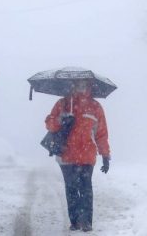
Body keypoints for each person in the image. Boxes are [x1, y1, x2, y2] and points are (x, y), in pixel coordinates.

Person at [45, 79, 111, 232]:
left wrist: (105, 155)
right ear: (72, 85)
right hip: (66, 155)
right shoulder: (63, 104)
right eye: (78, 84)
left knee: (86, 188)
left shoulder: (95, 106)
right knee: (71, 189)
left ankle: (87, 222)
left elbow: (101, 133)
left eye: (84, 84)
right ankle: (75, 221)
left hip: (87, 156)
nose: (81, 87)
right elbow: (49, 123)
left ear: (89, 85)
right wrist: (61, 119)